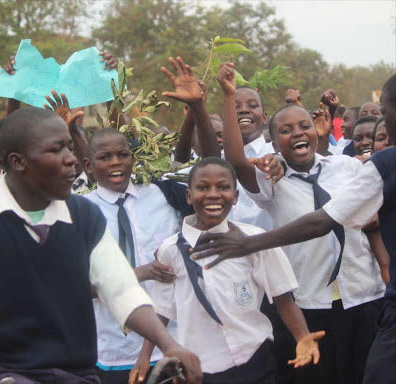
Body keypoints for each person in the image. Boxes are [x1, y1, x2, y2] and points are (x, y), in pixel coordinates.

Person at [0, 107, 202, 384]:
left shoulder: (84, 216)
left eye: (69, 147)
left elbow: (121, 289)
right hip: (8, 375)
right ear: (17, 161)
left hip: (79, 375)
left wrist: (169, 345)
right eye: (56, 150)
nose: (71, 160)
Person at [189, 72, 396, 384]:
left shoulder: (347, 167)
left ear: (317, 132)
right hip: (309, 304)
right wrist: (229, 98)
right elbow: (235, 160)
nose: (297, 133)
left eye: (304, 126)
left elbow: (362, 222)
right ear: (273, 143)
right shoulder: (273, 180)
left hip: (363, 297)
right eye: (285, 130)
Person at [81, 56, 220, 383]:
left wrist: (198, 108)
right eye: (104, 157)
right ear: (88, 167)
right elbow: (71, 287)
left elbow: (214, 169)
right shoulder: (79, 212)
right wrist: (138, 273)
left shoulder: (163, 194)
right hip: (110, 349)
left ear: (135, 156)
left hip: (171, 343)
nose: (116, 163)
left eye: (123, 154)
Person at [130, 157, 324, 384]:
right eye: (203, 188)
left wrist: (302, 336)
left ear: (236, 196)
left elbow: (283, 298)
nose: (213, 194)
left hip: (255, 359)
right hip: (201, 369)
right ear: (189, 196)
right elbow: (161, 311)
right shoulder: (170, 250)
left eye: (223, 187)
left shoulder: (255, 240)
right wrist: (144, 355)